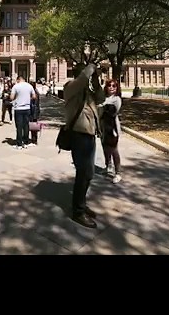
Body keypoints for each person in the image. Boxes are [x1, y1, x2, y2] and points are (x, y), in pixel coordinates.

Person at [63, 63, 105, 229]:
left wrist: (96, 81)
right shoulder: (70, 87)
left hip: (89, 135)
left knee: (88, 173)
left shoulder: (87, 92)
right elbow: (82, 79)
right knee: (84, 172)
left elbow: (101, 98)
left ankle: (81, 203)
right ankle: (77, 211)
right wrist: (92, 67)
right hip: (78, 135)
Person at [100, 79, 122, 184]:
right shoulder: (103, 98)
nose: (112, 87)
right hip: (103, 126)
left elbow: (114, 112)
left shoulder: (117, 99)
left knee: (114, 150)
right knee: (105, 148)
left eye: (114, 86)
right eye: (109, 85)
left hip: (112, 127)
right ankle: (108, 165)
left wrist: (103, 108)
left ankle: (118, 173)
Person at [10, 75, 36, 150]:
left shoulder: (16, 86)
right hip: (27, 108)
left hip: (18, 108)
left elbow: (11, 97)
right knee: (26, 126)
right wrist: (28, 98)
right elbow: (34, 96)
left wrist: (16, 98)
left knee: (19, 126)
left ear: (18, 80)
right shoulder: (29, 86)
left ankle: (19, 143)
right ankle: (26, 142)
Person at [29, 80, 41, 146]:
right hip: (35, 111)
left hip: (34, 111)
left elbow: (34, 102)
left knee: (33, 126)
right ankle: (33, 139)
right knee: (33, 126)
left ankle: (34, 140)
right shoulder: (35, 91)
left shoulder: (34, 92)